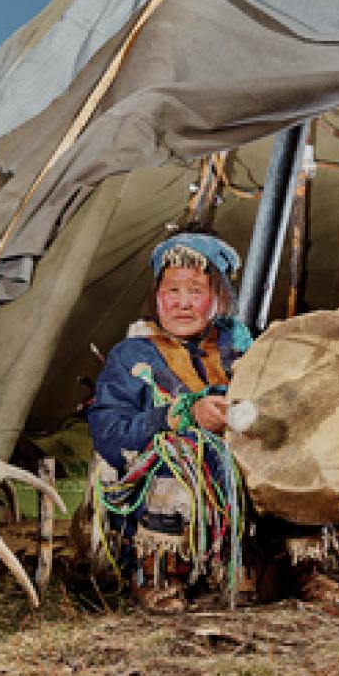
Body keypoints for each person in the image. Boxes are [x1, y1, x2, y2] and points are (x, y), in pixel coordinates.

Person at [85, 232, 253, 609]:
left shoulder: (240, 351)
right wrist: (180, 416)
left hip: (233, 486)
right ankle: (157, 574)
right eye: (172, 290)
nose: (181, 303)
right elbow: (109, 432)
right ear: (156, 296)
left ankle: (293, 569)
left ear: (219, 298)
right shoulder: (132, 355)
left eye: (195, 291)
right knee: (181, 459)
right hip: (155, 483)